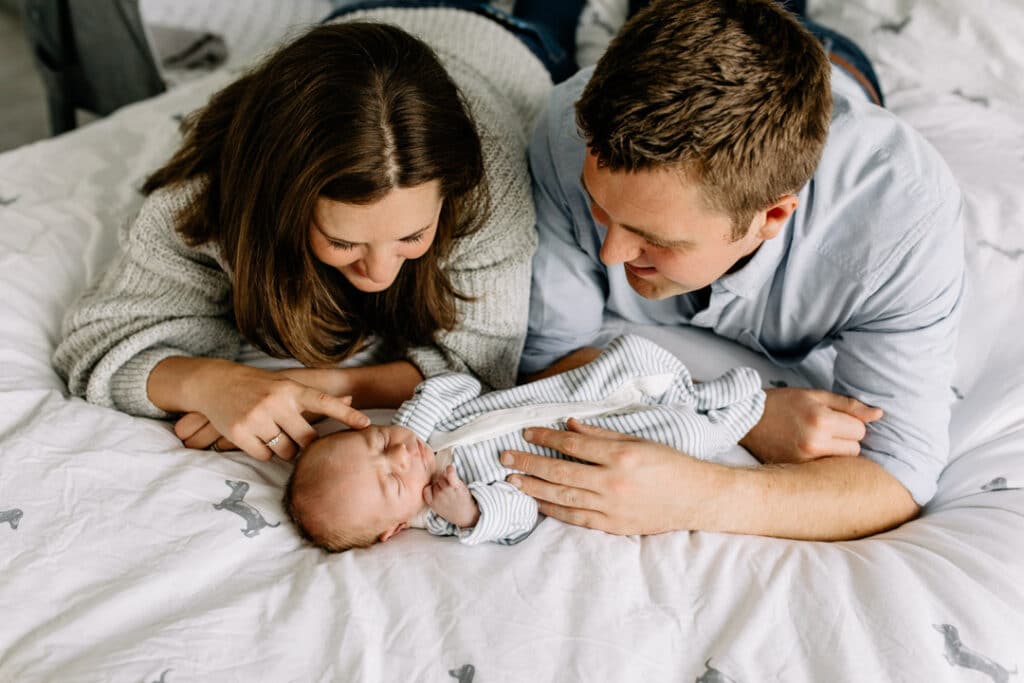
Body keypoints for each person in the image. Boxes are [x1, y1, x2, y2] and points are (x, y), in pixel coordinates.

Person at [514, 0, 965, 541]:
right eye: (600, 210)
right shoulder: (568, 130)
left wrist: (698, 498)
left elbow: (896, 478)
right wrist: (742, 414)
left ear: (772, 216)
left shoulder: (902, 219)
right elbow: (545, 362)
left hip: (834, 66)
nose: (609, 254)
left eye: (655, 239)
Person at [53, 6, 556, 461]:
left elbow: (483, 368)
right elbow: (97, 344)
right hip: (359, 22)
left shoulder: (489, 185)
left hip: (511, 41)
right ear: (281, 204)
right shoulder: (205, 198)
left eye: (412, 236)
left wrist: (316, 388)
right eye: (343, 242)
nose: (378, 272)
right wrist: (211, 384)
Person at [284, 335, 764, 551]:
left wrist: (411, 424)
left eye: (378, 440)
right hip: (595, 444)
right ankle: (733, 405)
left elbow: (457, 384)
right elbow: (518, 518)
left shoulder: (425, 430)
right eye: (392, 481)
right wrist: (471, 513)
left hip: (566, 398)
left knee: (630, 355)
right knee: (686, 434)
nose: (398, 455)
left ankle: (707, 391)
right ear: (392, 529)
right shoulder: (443, 513)